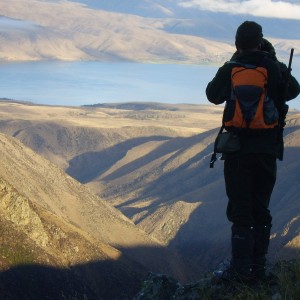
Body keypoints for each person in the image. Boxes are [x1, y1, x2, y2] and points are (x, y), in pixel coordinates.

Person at [206, 21, 300, 283]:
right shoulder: (272, 67)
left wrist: (235, 61)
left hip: (237, 151)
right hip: (267, 151)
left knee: (240, 209)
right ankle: (258, 269)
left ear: (237, 43)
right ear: (260, 42)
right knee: (261, 208)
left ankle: (239, 269)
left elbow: (213, 95)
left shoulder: (231, 68)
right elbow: (293, 90)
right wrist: (272, 59)